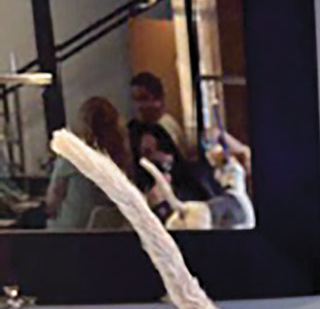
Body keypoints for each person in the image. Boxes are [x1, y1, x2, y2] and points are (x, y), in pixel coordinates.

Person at [128, 71, 216, 204]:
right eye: (135, 100)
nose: (139, 106)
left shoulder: (164, 126)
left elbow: (180, 164)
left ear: (159, 100)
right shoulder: (138, 129)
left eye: (144, 99)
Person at [46, 97, 128, 230]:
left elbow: (51, 204)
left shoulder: (73, 157)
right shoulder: (120, 158)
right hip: (107, 236)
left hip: (68, 235)